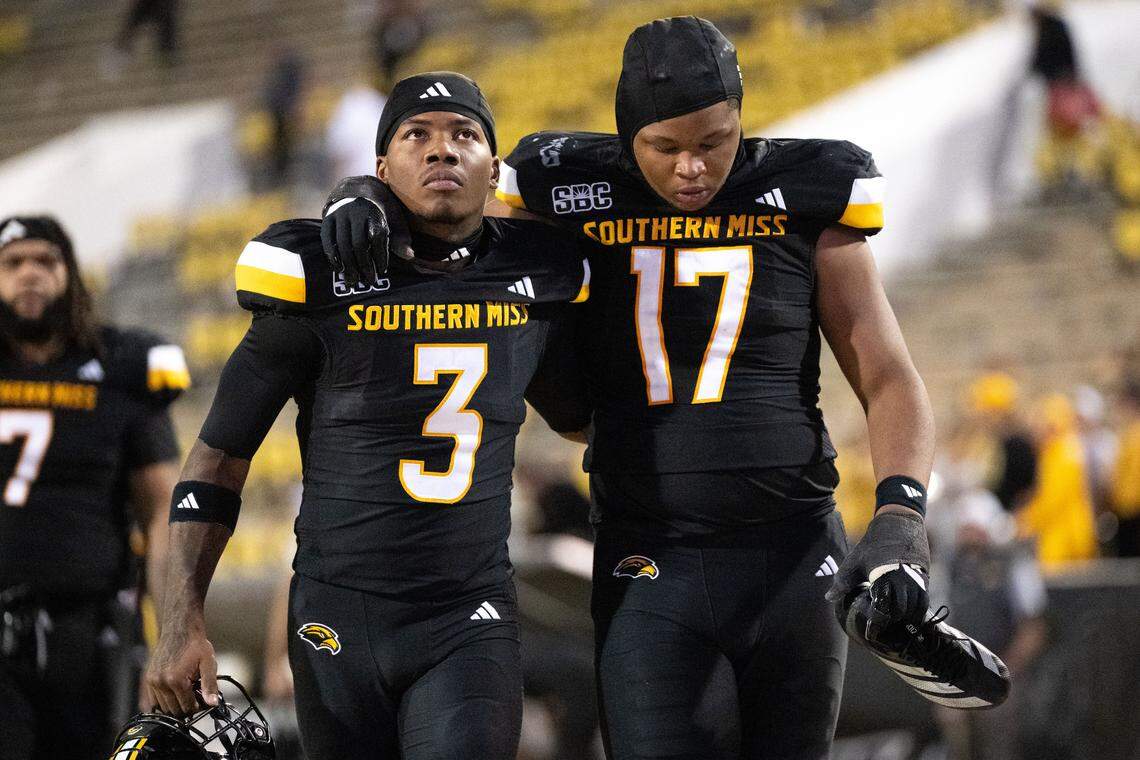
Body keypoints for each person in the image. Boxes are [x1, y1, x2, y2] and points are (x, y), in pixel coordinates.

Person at [322, 17, 937, 760]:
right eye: (664, 148)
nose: (691, 170)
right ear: (623, 136)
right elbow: (452, 223)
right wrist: (364, 193)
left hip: (794, 551)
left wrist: (901, 514)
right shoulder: (562, 184)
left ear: (741, 118)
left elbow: (886, 369)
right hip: (649, 555)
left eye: (713, 142)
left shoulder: (807, 188)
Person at [145, 72, 592, 760]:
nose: (442, 151)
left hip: (467, 613)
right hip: (338, 612)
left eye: (464, 135)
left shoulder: (541, 277)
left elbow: (578, 415)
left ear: (494, 169)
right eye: (418, 135)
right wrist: (180, 623)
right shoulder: (317, 275)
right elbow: (217, 460)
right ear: (383, 168)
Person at [0, 215, 187, 760]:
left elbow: (161, 516)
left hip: (89, 632)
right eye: (13, 264)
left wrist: (173, 630)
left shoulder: (119, 367)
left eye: (45, 262)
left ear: (72, 275)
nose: (29, 275)